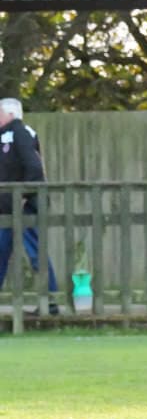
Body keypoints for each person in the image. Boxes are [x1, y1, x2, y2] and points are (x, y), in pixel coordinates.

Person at [0, 98, 59, 315]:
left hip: (25, 207)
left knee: (36, 253)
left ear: (10, 114)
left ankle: (51, 303)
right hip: (7, 209)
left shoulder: (21, 133)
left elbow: (34, 168)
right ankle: (50, 302)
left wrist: (24, 195)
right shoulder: (7, 135)